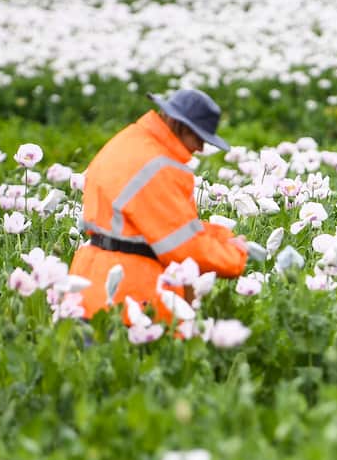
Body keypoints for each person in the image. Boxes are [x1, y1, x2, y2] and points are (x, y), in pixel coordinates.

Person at [72, 88, 248, 324]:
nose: (200, 148)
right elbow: (183, 247)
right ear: (180, 125)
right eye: (198, 137)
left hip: (88, 283)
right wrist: (234, 256)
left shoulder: (129, 141)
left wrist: (221, 236)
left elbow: (151, 225)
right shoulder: (159, 167)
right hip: (131, 296)